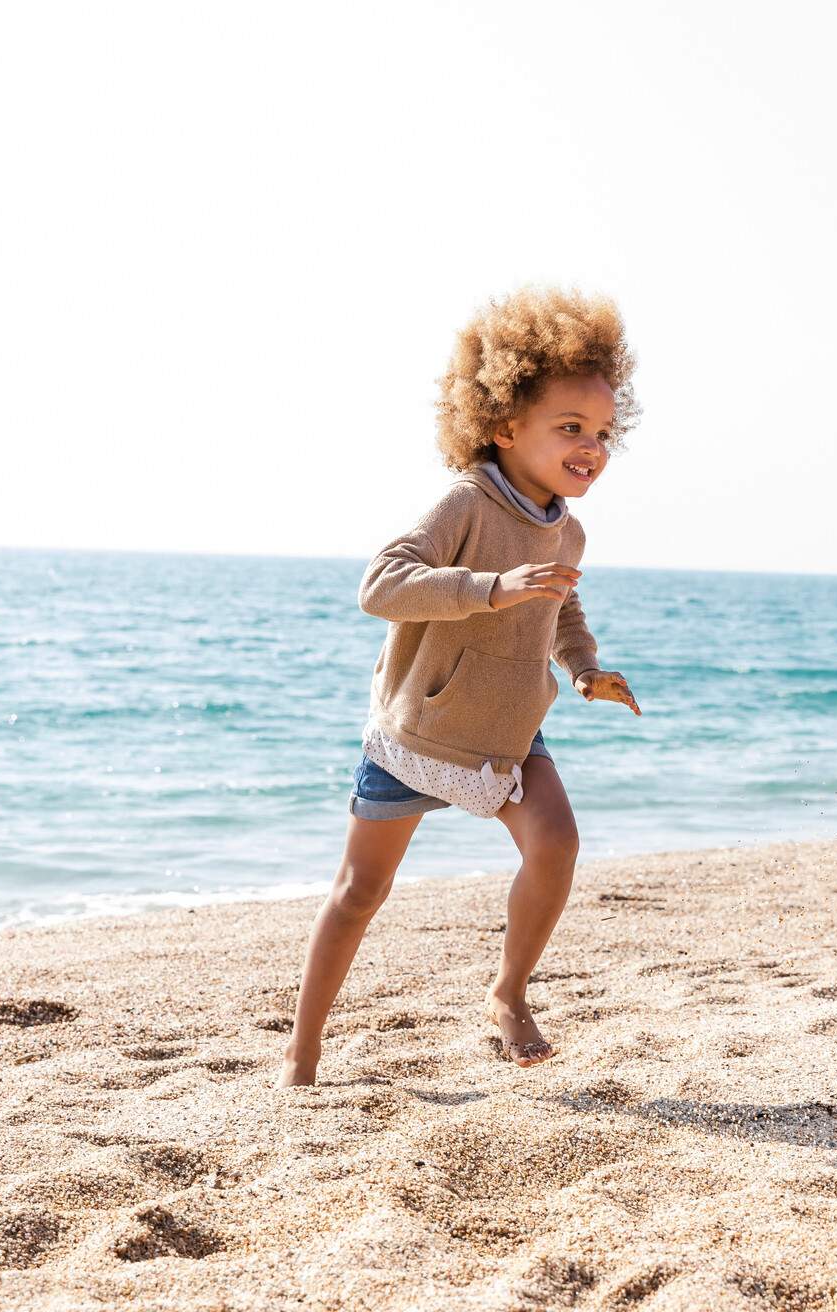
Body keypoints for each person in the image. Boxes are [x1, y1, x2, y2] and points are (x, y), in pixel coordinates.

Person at [278, 287, 642, 1087]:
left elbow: (561, 598)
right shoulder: (466, 501)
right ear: (506, 425)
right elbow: (382, 584)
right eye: (570, 428)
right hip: (420, 730)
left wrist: (583, 667)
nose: (591, 447)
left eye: (604, 433)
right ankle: (303, 1054)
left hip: (510, 730)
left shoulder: (567, 524)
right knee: (359, 891)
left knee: (557, 845)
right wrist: (488, 588)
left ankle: (508, 994)